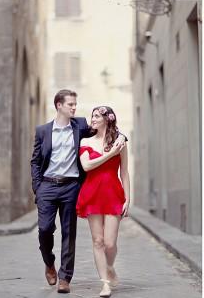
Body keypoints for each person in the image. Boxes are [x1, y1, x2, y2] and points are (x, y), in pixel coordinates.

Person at [30, 90, 126, 294]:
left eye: (75, 104)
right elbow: (36, 161)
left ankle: (65, 277)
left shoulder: (81, 125)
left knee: (69, 232)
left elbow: (108, 130)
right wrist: (38, 188)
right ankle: (49, 262)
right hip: (47, 185)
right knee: (45, 229)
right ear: (59, 106)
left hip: (71, 186)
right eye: (70, 104)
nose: (74, 107)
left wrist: (123, 137)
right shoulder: (43, 131)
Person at [76, 106, 130, 297]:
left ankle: (109, 266)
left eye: (97, 116)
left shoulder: (120, 142)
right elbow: (87, 165)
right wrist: (109, 154)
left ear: (108, 119)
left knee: (109, 243)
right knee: (97, 241)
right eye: (93, 116)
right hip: (92, 193)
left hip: (113, 194)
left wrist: (128, 199)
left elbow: (124, 172)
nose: (93, 119)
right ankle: (105, 283)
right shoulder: (85, 141)